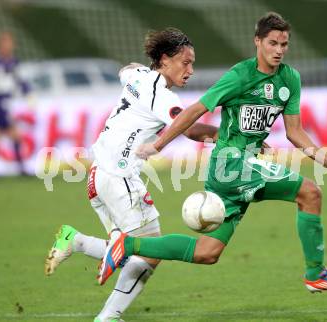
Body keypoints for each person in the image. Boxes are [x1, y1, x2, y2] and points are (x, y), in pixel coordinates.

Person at [98, 12, 327, 294]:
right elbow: (196, 110)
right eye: (272, 43)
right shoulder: (240, 75)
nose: (279, 50)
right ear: (258, 42)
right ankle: (316, 274)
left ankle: (126, 244)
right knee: (310, 193)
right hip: (233, 163)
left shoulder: (290, 80)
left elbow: (295, 133)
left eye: (284, 44)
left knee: (207, 252)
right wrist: (158, 145)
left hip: (240, 167)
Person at [44, 28, 218, 322]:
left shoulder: (138, 78)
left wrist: (137, 68)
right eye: (185, 62)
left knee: (133, 246)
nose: (190, 70)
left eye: (192, 63)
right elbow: (188, 128)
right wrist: (228, 135)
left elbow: (126, 69)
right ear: (164, 60)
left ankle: (76, 241)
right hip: (119, 179)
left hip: (97, 174)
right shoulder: (161, 96)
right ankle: (108, 316)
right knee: (150, 250)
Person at [0, 31, 30, 176]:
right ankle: (21, 168)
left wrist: (28, 93)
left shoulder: (14, 61)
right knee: (14, 133)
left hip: (8, 101)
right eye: (6, 43)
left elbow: (20, 80)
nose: (8, 46)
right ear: (0, 44)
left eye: (10, 43)